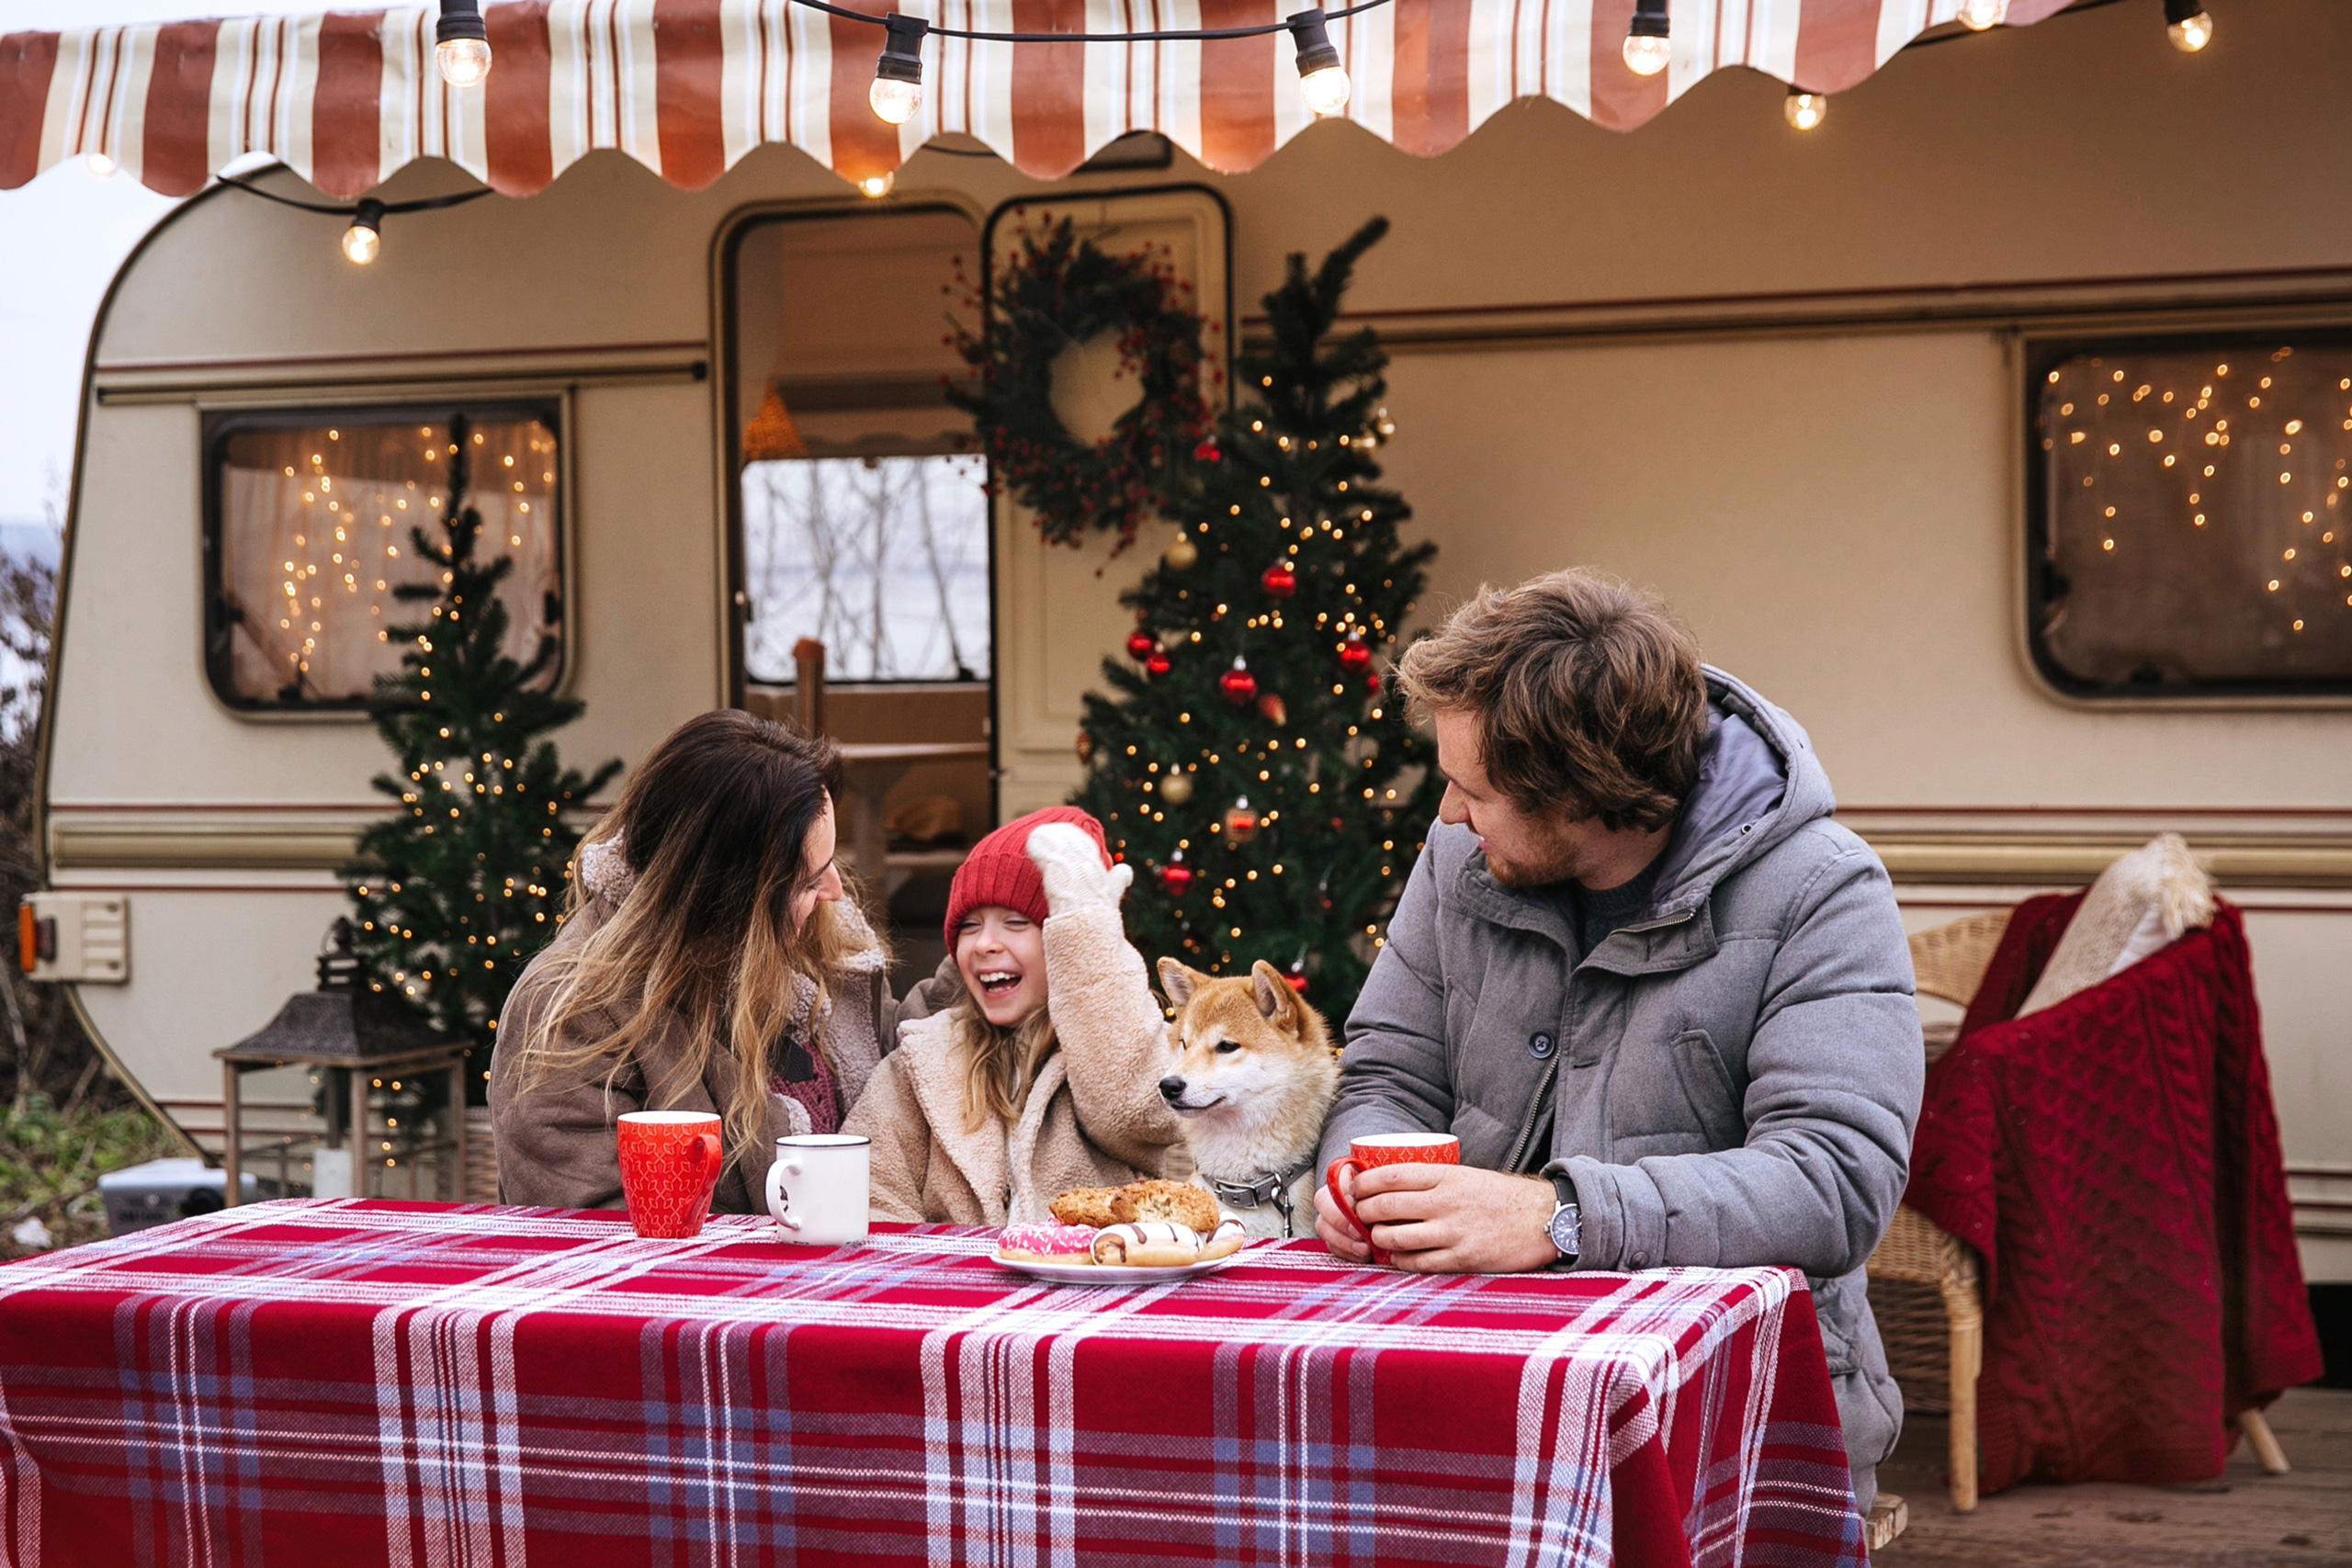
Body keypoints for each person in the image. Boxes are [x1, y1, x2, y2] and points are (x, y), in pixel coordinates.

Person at [1312, 569, 1923, 1510]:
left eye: (1472, 790)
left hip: (1733, 1432)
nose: (1446, 815)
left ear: (1578, 794)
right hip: (1465, 1390)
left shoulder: (1821, 890)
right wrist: (1366, 1182)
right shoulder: (1459, 856)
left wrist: (1557, 1218)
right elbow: (1388, 1067)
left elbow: (1834, 1181)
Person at [491, 710, 952, 1213]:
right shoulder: (574, 1011)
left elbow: (902, 1058)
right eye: (807, 880)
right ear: (728, 899)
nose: (835, 892)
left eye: (830, 864)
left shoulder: (811, 944)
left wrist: (992, 949)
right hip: (711, 1288)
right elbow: (588, 1226)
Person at [846, 807, 1182, 1224]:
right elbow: (867, 1197)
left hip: (1096, 1280)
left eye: (1015, 922)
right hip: (955, 1284)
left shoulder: (1120, 1048)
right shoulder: (920, 1063)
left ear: (1069, 941)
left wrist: (1088, 937)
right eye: (969, 925)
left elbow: (1137, 1109)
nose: (986, 943)